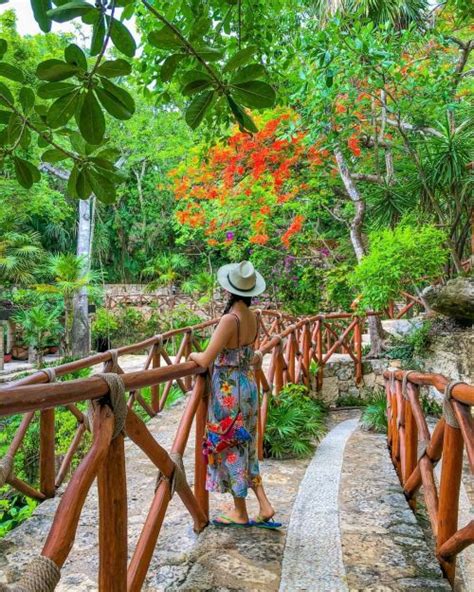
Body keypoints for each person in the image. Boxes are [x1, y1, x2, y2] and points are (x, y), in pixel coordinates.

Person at [188, 261, 280, 529]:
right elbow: (251, 356)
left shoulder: (231, 319)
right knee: (245, 445)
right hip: (247, 387)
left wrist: (191, 356)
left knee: (229, 443)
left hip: (229, 391)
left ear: (229, 289)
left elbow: (205, 359)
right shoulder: (252, 317)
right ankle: (263, 504)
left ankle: (241, 512)